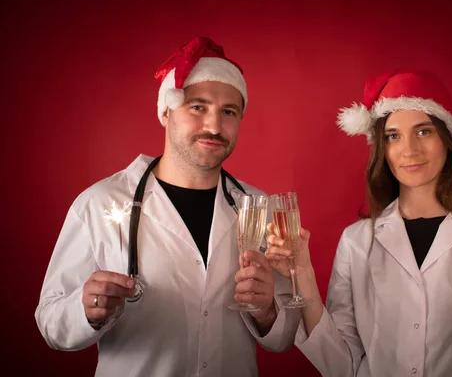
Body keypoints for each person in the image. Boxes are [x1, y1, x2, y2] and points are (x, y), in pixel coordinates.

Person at [35, 36, 300, 376]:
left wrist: (267, 312)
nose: (214, 126)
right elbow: (50, 324)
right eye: (197, 107)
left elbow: (284, 336)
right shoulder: (100, 203)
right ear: (165, 111)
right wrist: (86, 310)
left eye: (228, 112)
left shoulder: (257, 208)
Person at [266, 70, 452, 376]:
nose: (409, 149)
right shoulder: (356, 242)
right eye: (393, 136)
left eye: (424, 131)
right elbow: (342, 365)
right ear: (382, 149)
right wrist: (303, 274)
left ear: (447, 139)